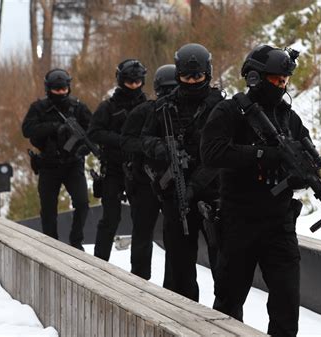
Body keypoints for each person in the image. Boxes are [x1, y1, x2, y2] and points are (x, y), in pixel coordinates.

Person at [200, 45, 308, 337]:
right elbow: (212, 153)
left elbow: (309, 160)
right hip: (239, 222)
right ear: (255, 78)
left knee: (287, 304)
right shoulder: (230, 112)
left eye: (285, 81)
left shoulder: (289, 118)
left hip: (280, 225)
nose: (281, 86)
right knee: (228, 305)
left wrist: (301, 175)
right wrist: (262, 154)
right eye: (276, 80)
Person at [140, 43, 224, 301]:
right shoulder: (164, 107)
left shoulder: (220, 107)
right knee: (179, 269)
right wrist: (160, 147)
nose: (192, 82)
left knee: (223, 266)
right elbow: (143, 139)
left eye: (197, 76)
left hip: (213, 195)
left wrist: (195, 186)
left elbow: (224, 154)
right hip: (176, 198)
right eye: (187, 77)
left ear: (207, 74)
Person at [22, 68, 92, 250]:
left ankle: (76, 242)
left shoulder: (78, 108)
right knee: (48, 211)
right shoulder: (39, 108)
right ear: (49, 89)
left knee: (83, 203)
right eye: (57, 90)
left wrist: (84, 146)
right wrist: (55, 128)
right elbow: (27, 130)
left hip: (73, 164)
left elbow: (93, 131)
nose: (61, 93)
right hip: (48, 165)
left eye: (64, 89)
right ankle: (51, 246)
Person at [120, 64, 177, 281]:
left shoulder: (182, 113)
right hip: (145, 180)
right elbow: (125, 141)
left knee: (174, 238)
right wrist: (151, 146)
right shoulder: (144, 111)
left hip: (172, 184)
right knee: (143, 234)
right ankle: (139, 281)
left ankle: (173, 287)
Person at [88, 59, 147, 261]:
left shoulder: (147, 106)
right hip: (114, 169)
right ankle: (99, 263)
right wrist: (121, 141)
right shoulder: (108, 107)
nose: (134, 86)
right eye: (130, 82)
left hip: (140, 170)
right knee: (110, 218)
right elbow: (94, 133)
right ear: (122, 81)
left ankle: (139, 271)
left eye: (138, 82)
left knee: (142, 220)